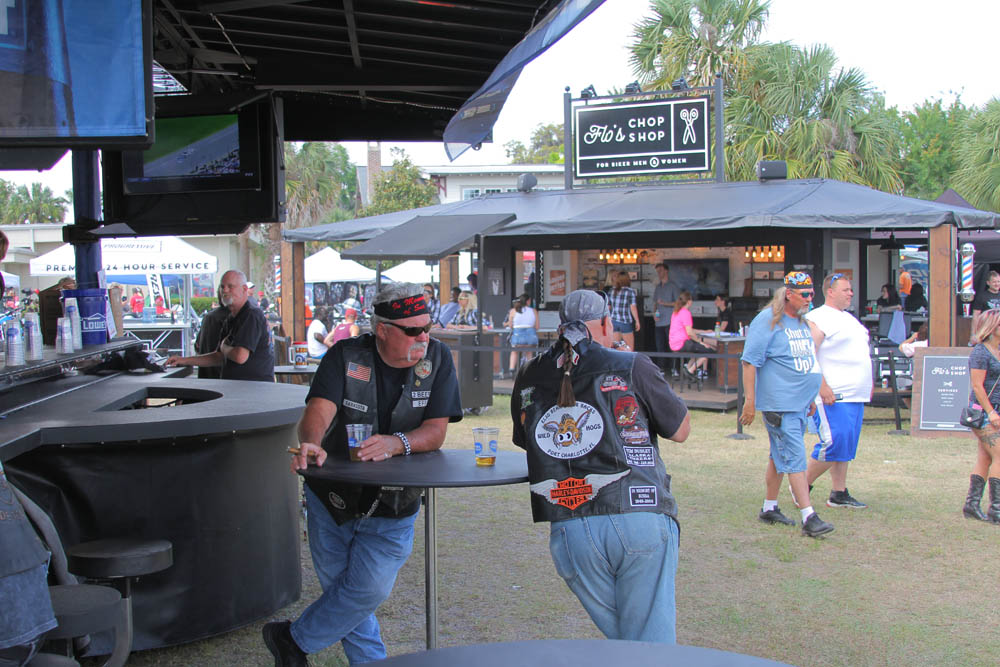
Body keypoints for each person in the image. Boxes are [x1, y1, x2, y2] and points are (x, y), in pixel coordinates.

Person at [262, 283, 463, 665]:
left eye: (427, 327)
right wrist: (312, 441)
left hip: (395, 501)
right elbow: (318, 412)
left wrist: (396, 442)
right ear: (383, 329)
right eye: (412, 330)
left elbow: (436, 431)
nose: (423, 336)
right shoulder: (345, 354)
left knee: (366, 591)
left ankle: (292, 639)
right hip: (332, 498)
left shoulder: (437, 358)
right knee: (346, 594)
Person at [510, 289, 690, 643]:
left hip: (569, 525)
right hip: (639, 513)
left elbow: (525, 439)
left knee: (627, 641)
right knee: (647, 645)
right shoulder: (630, 363)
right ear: (607, 322)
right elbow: (680, 430)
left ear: (560, 327)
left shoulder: (530, 372)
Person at [740, 271, 834, 538]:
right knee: (794, 457)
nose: (809, 299)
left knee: (778, 455)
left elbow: (807, 361)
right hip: (780, 405)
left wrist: (811, 396)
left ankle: (769, 507)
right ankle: (809, 516)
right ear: (788, 294)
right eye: (804, 295)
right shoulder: (768, 320)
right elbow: (750, 361)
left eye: (812, 294)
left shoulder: (802, 322)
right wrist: (750, 401)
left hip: (799, 404)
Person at [805, 273, 872, 509]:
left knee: (846, 445)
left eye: (851, 289)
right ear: (830, 292)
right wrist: (822, 386)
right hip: (834, 393)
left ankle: (839, 492)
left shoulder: (850, 319)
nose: (850, 293)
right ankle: (801, 486)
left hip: (855, 393)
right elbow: (809, 354)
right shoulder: (818, 317)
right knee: (834, 441)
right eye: (845, 290)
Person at [165, 270, 274, 382]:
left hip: (254, 390)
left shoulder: (251, 315)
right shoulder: (231, 318)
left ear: (244, 289)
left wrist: (224, 347)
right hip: (237, 389)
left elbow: (240, 356)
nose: (225, 290)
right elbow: (219, 357)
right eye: (222, 287)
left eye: (230, 286)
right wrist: (184, 360)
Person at [962, 309, 1000, 523]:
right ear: (992, 329)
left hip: (996, 409)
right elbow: (977, 386)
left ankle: (971, 504)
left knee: (986, 457)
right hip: (984, 411)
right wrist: (991, 412)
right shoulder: (980, 352)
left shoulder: (997, 350)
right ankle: (996, 509)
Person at [668, 291, 713, 380]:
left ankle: (687, 368)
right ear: (689, 302)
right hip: (683, 344)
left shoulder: (676, 312)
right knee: (708, 350)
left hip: (673, 344)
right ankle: (690, 370)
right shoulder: (685, 312)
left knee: (697, 350)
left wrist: (704, 331)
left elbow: (689, 330)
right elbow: (689, 332)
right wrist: (701, 342)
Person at [194, 285, 229, 380]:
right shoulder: (235, 318)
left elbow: (197, 346)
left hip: (206, 376)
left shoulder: (208, 317)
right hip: (225, 379)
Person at [653, 263, 679, 375]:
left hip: (670, 321)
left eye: (661, 271)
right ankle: (661, 368)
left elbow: (678, 303)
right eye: (657, 271)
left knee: (672, 345)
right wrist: (654, 313)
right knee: (660, 346)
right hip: (659, 322)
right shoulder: (658, 287)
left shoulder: (673, 286)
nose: (659, 273)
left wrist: (665, 303)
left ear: (666, 271)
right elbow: (655, 302)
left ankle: (674, 368)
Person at [504, 293, 539, 376]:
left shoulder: (513, 311)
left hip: (517, 338)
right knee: (529, 352)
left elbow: (510, 325)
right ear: (528, 301)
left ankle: (512, 370)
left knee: (514, 352)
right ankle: (529, 371)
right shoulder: (533, 311)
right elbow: (537, 327)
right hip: (530, 338)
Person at [608, 271, 639, 351]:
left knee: (616, 348)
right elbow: (633, 307)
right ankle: (628, 363)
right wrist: (637, 321)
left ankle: (617, 363)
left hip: (614, 321)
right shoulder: (630, 291)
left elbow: (608, 308)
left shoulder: (612, 290)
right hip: (625, 321)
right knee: (629, 348)